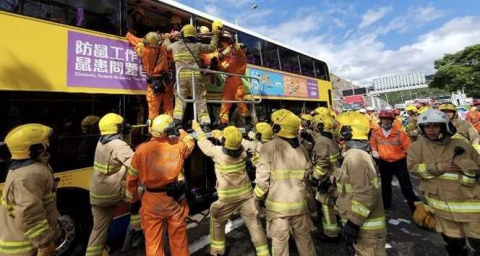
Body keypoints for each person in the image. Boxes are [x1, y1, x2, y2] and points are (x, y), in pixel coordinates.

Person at [407, 109, 480, 256]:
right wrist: (438, 167)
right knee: (455, 249)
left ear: (444, 127)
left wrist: (466, 168)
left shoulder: (462, 145)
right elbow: (413, 168)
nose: (431, 130)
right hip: (443, 211)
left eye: (435, 126)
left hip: (471, 209)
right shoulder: (416, 148)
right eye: (427, 126)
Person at [195, 123, 269, 256]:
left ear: (224, 142)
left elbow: (203, 142)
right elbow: (247, 144)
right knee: (255, 226)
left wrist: (197, 128)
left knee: (217, 222)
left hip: (227, 200)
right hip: (247, 197)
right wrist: (221, 137)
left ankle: (218, 251)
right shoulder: (243, 152)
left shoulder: (217, 153)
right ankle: (264, 252)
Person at [126, 114, 195, 256]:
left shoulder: (140, 150)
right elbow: (190, 142)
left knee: (153, 242)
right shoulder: (178, 146)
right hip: (173, 200)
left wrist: (133, 200)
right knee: (178, 239)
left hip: (151, 201)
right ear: (169, 130)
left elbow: (131, 179)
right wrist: (181, 130)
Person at [254, 109, 316, 256]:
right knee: (305, 241)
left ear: (277, 127)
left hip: (278, 211)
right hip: (299, 206)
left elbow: (262, 181)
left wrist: (258, 198)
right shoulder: (301, 149)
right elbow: (307, 178)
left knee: (280, 245)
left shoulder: (268, 147)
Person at [0, 124, 60, 256]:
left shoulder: (24, 166)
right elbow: (29, 213)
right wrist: (44, 244)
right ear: (36, 148)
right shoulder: (29, 175)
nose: (48, 142)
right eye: (44, 140)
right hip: (27, 247)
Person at [333, 111, 387, 256]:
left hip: (366, 231)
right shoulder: (355, 154)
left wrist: (353, 223)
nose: (336, 130)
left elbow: (366, 195)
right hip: (364, 229)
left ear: (347, 131)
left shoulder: (356, 157)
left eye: (339, 127)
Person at [86, 113, 134, 256]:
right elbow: (136, 165)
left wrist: (125, 135)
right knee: (146, 192)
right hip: (113, 192)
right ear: (117, 128)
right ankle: (138, 229)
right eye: (122, 125)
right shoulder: (118, 145)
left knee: (98, 230)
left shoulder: (101, 142)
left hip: (97, 195)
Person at [164, 21, 222, 132]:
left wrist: (167, 37)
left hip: (181, 78)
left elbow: (167, 47)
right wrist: (216, 35)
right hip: (195, 77)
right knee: (200, 100)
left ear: (183, 34)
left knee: (180, 101)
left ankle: (177, 124)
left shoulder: (176, 45)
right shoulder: (198, 46)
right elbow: (212, 47)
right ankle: (205, 125)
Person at [370, 110, 419, 212]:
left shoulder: (400, 133)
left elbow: (409, 149)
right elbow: (373, 145)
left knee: (406, 186)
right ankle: (386, 204)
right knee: (385, 186)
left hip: (399, 163)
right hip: (384, 163)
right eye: (384, 120)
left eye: (388, 120)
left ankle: (416, 209)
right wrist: (374, 151)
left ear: (392, 121)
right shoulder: (376, 133)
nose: (386, 122)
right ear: (381, 120)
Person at [126, 32, 174, 121]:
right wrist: (167, 38)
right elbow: (171, 53)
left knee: (153, 110)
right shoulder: (163, 48)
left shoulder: (143, 50)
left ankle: (154, 131)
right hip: (166, 81)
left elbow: (137, 43)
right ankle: (170, 127)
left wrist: (128, 35)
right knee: (168, 107)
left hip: (154, 83)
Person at [310, 114, 341, 241]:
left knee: (326, 205)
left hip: (326, 178)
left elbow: (322, 162)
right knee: (333, 203)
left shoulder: (321, 141)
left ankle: (331, 233)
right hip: (333, 175)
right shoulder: (331, 137)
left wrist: (317, 178)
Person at [218, 42, 252, 129]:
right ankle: (223, 122)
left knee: (240, 102)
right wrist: (219, 60)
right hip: (229, 81)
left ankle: (248, 122)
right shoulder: (232, 58)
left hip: (236, 80)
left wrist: (233, 43)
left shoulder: (241, 56)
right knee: (225, 102)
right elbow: (224, 68)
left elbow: (238, 51)